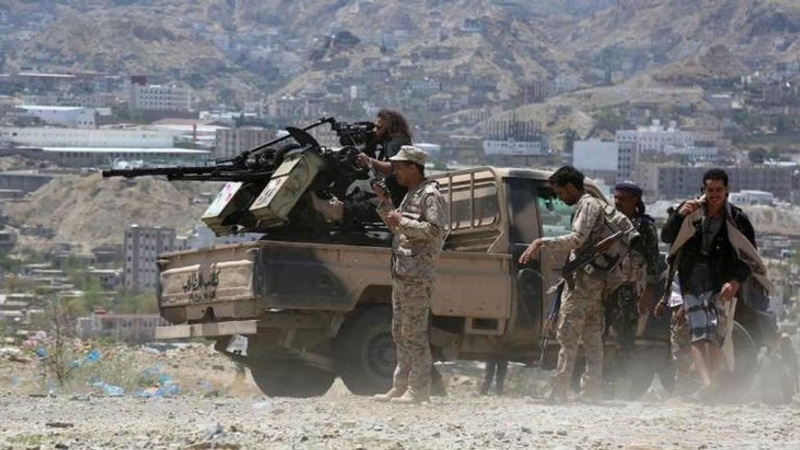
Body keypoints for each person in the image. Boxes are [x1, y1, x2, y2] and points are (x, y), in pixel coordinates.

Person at [519, 166, 627, 402]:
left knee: (568, 336)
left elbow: (576, 239)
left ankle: (558, 392)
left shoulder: (588, 205)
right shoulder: (595, 205)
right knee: (592, 336)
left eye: (560, 192)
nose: (560, 198)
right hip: (594, 280)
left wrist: (540, 242)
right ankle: (592, 391)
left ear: (570, 187)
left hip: (583, 283)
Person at [657, 168, 758, 397]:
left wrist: (735, 282)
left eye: (718, 190)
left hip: (718, 286)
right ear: (703, 190)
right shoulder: (690, 212)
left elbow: (749, 256)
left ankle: (719, 383)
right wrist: (679, 215)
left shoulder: (736, 219)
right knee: (697, 335)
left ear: (727, 191)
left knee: (715, 336)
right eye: (710, 190)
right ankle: (707, 384)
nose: (714, 195)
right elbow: (667, 237)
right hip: (689, 285)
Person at [371, 146, 447, 404]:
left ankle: (418, 390)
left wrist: (401, 220)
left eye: (400, 167)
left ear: (414, 168)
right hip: (403, 273)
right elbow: (399, 230)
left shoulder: (431, 195)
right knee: (400, 333)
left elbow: (435, 231)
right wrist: (385, 202)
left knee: (414, 334)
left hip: (418, 276)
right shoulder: (411, 194)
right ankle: (401, 386)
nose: (395, 172)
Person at [602, 181, 660, 392]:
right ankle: (601, 380)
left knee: (625, 336)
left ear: (635, 200)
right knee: (600, 333)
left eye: (623, 199)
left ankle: (621, 381)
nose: (618, 202)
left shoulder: (644, 226)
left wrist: (649, 292)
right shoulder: (610, 222)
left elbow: (652, 259)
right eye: (616, 198)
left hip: (630, 288)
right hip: (607, 286)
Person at [313, 109, 413, 224]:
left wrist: (370, 161)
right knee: (355, 198)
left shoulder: (396, 142)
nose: (375, 131)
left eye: (379, 128)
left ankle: (329, 211)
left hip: (396, 201)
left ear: (390, 128)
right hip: (391, 195)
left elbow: (393, 167)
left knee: (353, 208)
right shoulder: (391, 143)